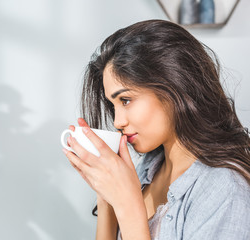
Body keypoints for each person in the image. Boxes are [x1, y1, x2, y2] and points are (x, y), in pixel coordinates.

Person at [62, 19, 250, 240]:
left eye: (125, 100)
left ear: (173, 86)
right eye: (113, 106)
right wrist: (106, 196)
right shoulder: (147, 169)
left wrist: (128, 206)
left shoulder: (224, 190)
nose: (117, 122)